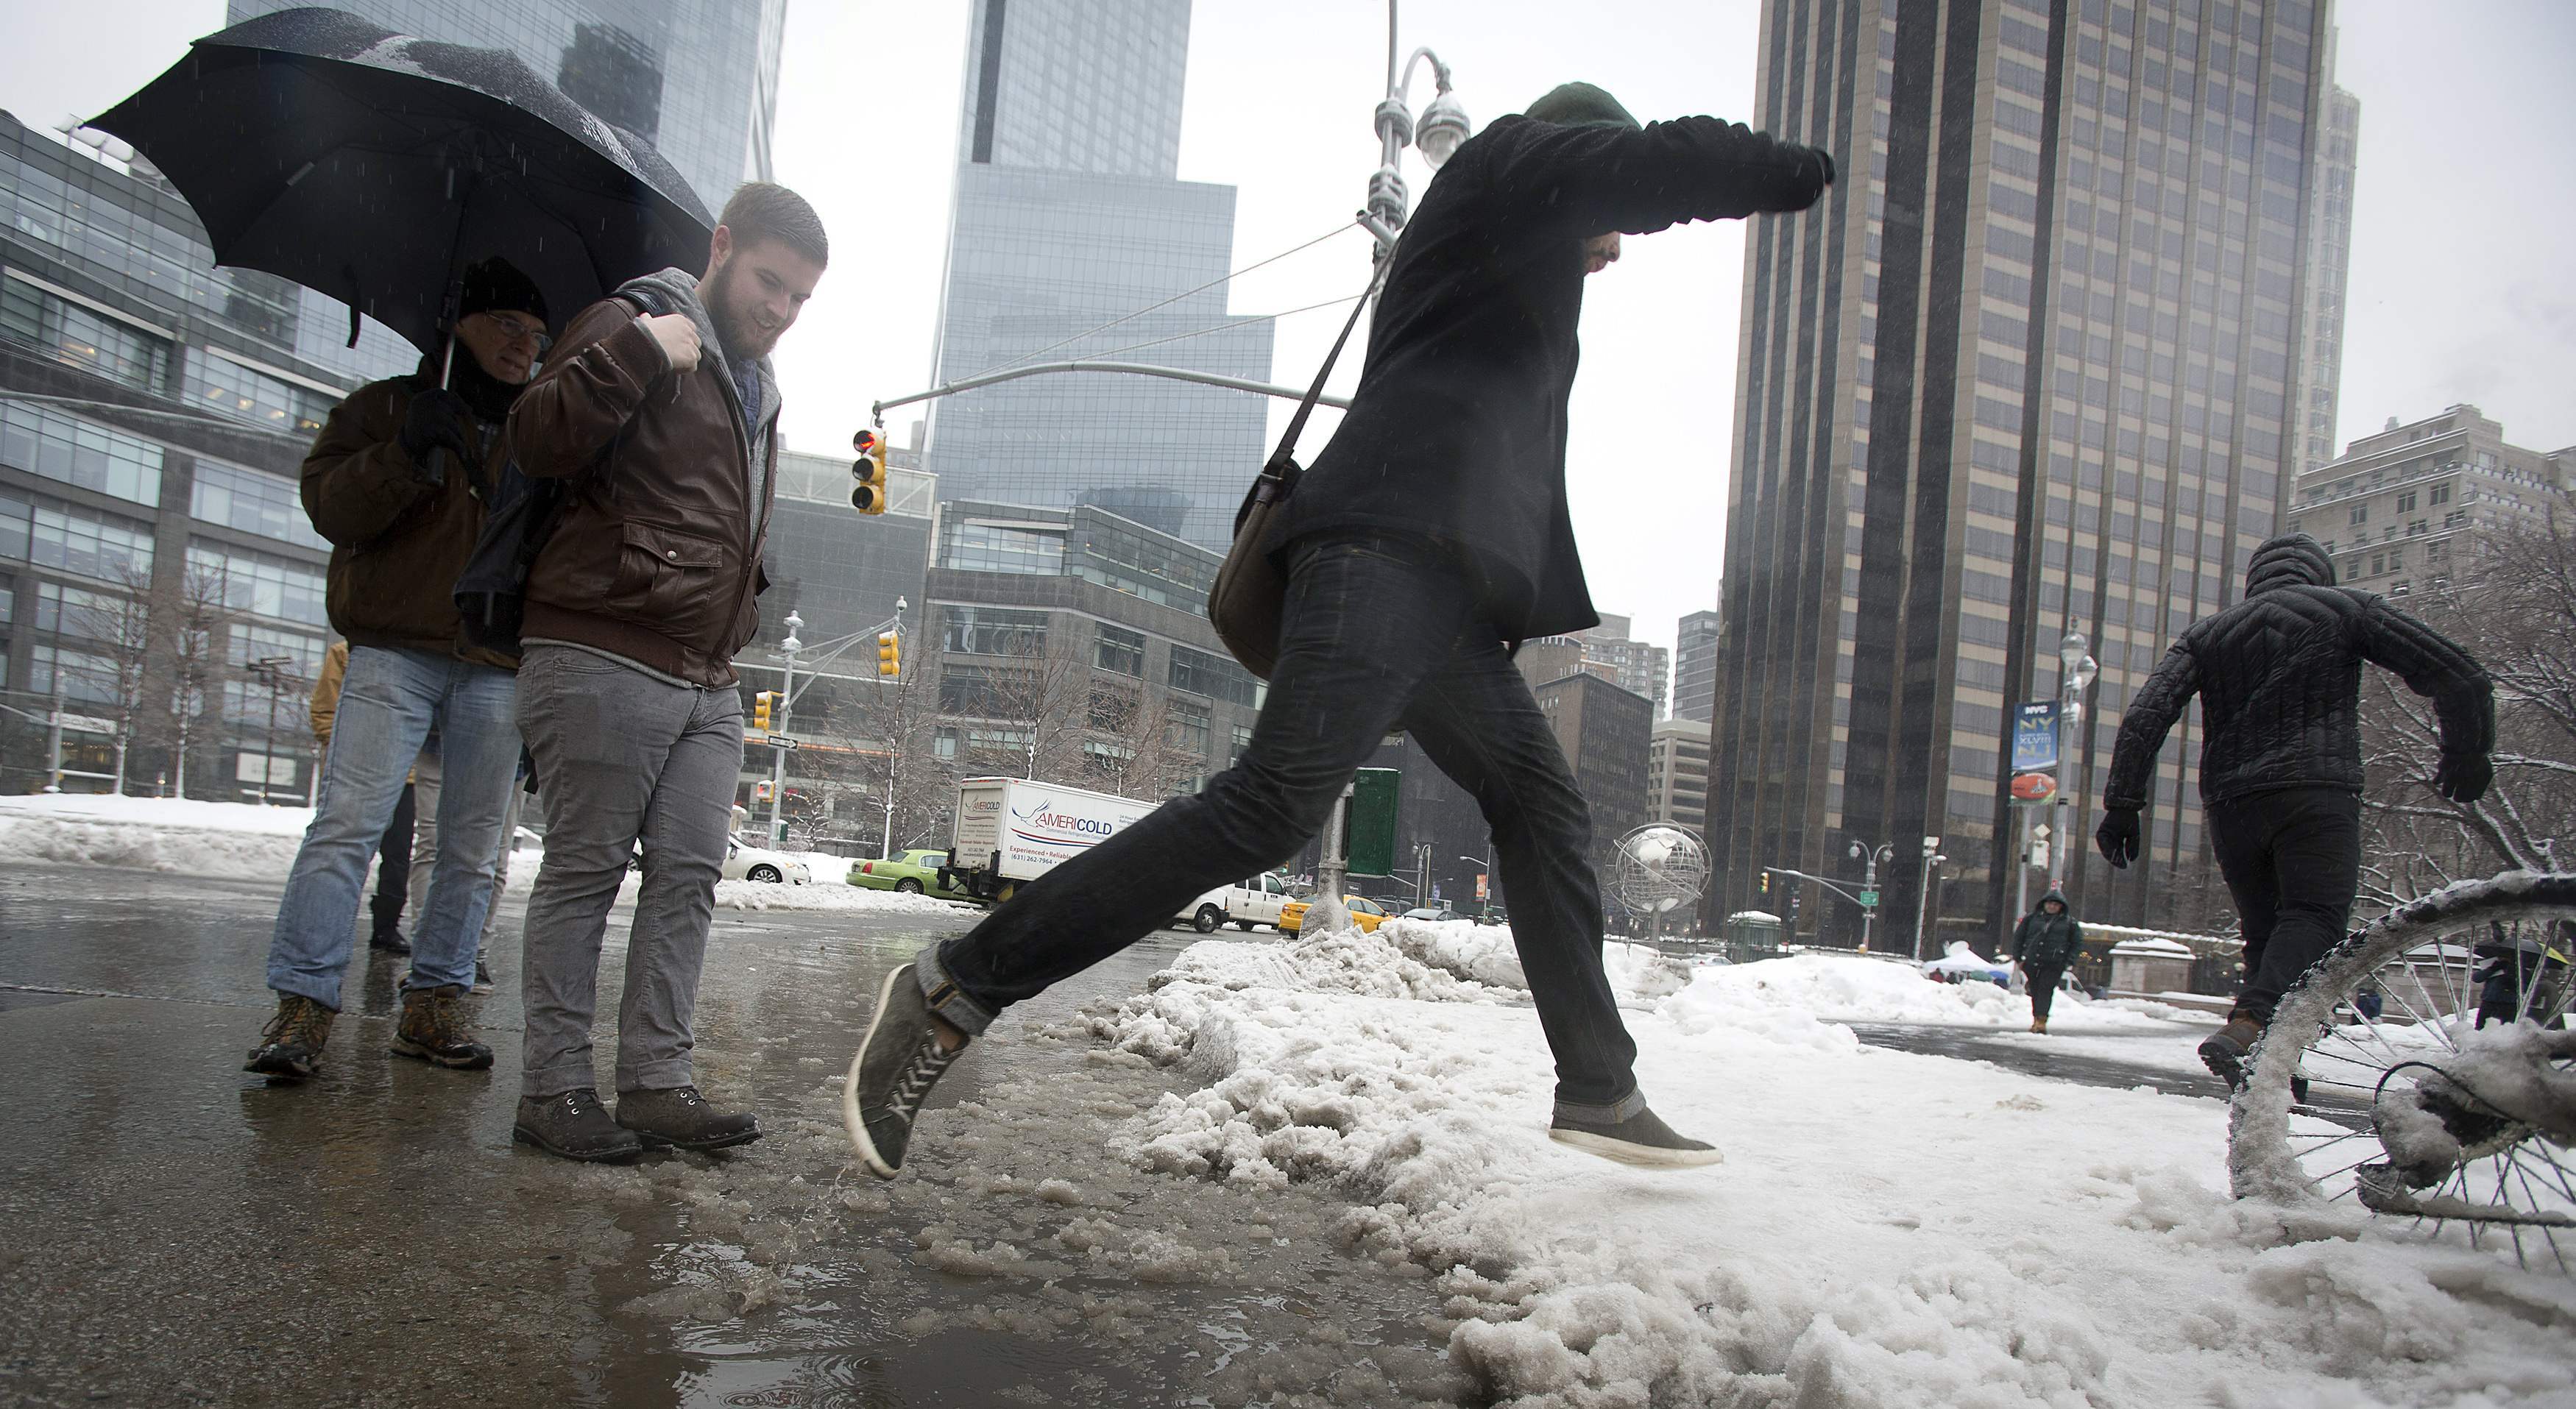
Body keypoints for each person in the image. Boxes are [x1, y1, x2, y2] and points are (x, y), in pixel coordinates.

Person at [841, 82, 1836, 1179]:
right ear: (1578, 148)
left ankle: (1600, 1082)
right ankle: (956, 984)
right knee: (1269, 804)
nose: (1613, 248)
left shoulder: (1512, 254)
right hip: (1383, 554)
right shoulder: (1513, 162)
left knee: (1543, 811)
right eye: (1606, 218)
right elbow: (1660, 164)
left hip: (1447, 598)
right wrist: (1797, 169)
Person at [503, 182, 827, 1163]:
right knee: (586, 873)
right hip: (603, 642)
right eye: (769, 282)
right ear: (722, 247)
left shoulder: (755, 386)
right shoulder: (635, 321)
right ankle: (554, 1089)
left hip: (708, 673)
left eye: (800, 298)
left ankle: (654, 1081)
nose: (779, 309)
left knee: (689, 877)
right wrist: (640, 353)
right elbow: (537, 436)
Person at [245, 258, 548, 1081]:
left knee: (474, 848)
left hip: (494, 661)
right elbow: (330, 508)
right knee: (346, 827)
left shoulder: (541, 432)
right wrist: (409, 448)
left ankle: (436, 1002)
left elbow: (556, 558)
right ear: (461, 324)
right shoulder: (385, 408)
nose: (523, 346)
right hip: (392, 647)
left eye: (535, 333)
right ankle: (302, 1005)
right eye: (506, 326)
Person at [2096, 532, 2493, 1088]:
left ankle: (2271, 1076)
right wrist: (2467, 748)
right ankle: (2252, 1024)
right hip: (2316, 790)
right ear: (2319, 575)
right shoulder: (2345, 609)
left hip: (2232, 805)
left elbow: (2146, 715)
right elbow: (2459, 671)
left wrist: (2123, 804)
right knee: (2314, 917)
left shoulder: (2208, 634)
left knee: (2266, 934)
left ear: (2255, 580)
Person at [310, 639, 416, 957]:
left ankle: (386, 928)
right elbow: (324, 713)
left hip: (405, 777)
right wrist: (349, 752)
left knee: (398, 856)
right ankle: (324, 931)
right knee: (344, 849)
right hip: (356, 771)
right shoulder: (346, 652)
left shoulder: (418, 657)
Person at [2009, 892, 2082, 1034]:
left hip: (2054, 963)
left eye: (2055, 904)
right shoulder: (2032, 919)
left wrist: (2069, 961)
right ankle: (2037, 1019)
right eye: (2049, 903)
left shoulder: (2069, 923)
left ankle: (2041, 1021)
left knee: (2045, 990)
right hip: (2032, 961)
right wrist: (2018, 958)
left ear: (2061, 907)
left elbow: (2076, 943)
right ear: (2044, 904)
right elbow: (2019, 938)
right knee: (2035, 990)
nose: (2052, 906)